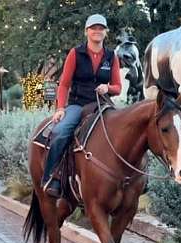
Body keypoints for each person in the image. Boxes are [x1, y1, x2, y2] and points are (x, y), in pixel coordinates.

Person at [42, 14, 122, 197]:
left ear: (105, 32)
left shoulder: (111, 56)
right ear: (87, 31)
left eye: (101, 28)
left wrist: (107, 87)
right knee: (60, 132)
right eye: (94, 28)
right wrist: (61, 108)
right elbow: (64, 84)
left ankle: (125, 179)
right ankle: (52, 176)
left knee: (127, 130)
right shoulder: (75, 53)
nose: (97, 31)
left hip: (102, 105)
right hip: (78, 104)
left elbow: (117, 87)